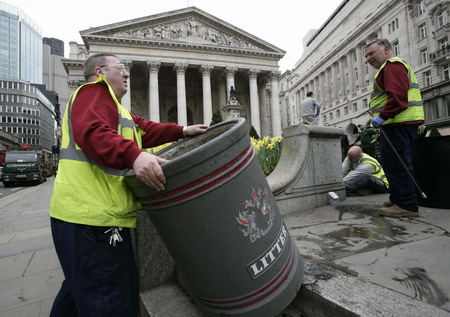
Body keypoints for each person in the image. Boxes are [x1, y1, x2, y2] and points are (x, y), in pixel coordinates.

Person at [49, 53, 207, 316]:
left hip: (82, 219)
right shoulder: (92, 93)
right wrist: (135, 156)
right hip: (94, 221)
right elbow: (93, 131)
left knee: (78, 294)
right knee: (111, 301)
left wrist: (182, 131)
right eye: (120, 68)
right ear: (100, 72)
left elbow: (145, 129)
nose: (126, 73)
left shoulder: (116, 109)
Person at [365, 39, 424, 217]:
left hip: (399, 122)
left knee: (397, 164)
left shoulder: (392, 66)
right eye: (366, 56)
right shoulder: (389, 68)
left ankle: (406, 204)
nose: (368, 58)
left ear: (386, 50)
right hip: (396, 123)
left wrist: (381, 117)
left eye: (372, 53)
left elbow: (398, 97)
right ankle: (398, 197)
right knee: (392, 164)